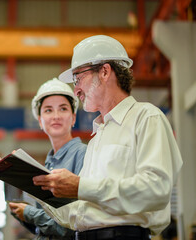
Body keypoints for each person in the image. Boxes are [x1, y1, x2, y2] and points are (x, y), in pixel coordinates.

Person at [32, 35, 183, 239]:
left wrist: (80, 186)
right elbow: (81, 214)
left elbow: (156, 189)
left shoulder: (146, 117)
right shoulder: (97, 137)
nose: (76, 90)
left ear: (104, 72)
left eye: (79, 78)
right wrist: (36, 187)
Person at [0, 78, 87, 239]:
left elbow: (75, 223)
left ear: (73, 117)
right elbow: (45, 227)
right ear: (40, 120)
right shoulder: (48, 164)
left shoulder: (83, 155)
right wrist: (18, 207)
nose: (56, 116)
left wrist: (29, 213)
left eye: (63, 109)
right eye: (48, 110)